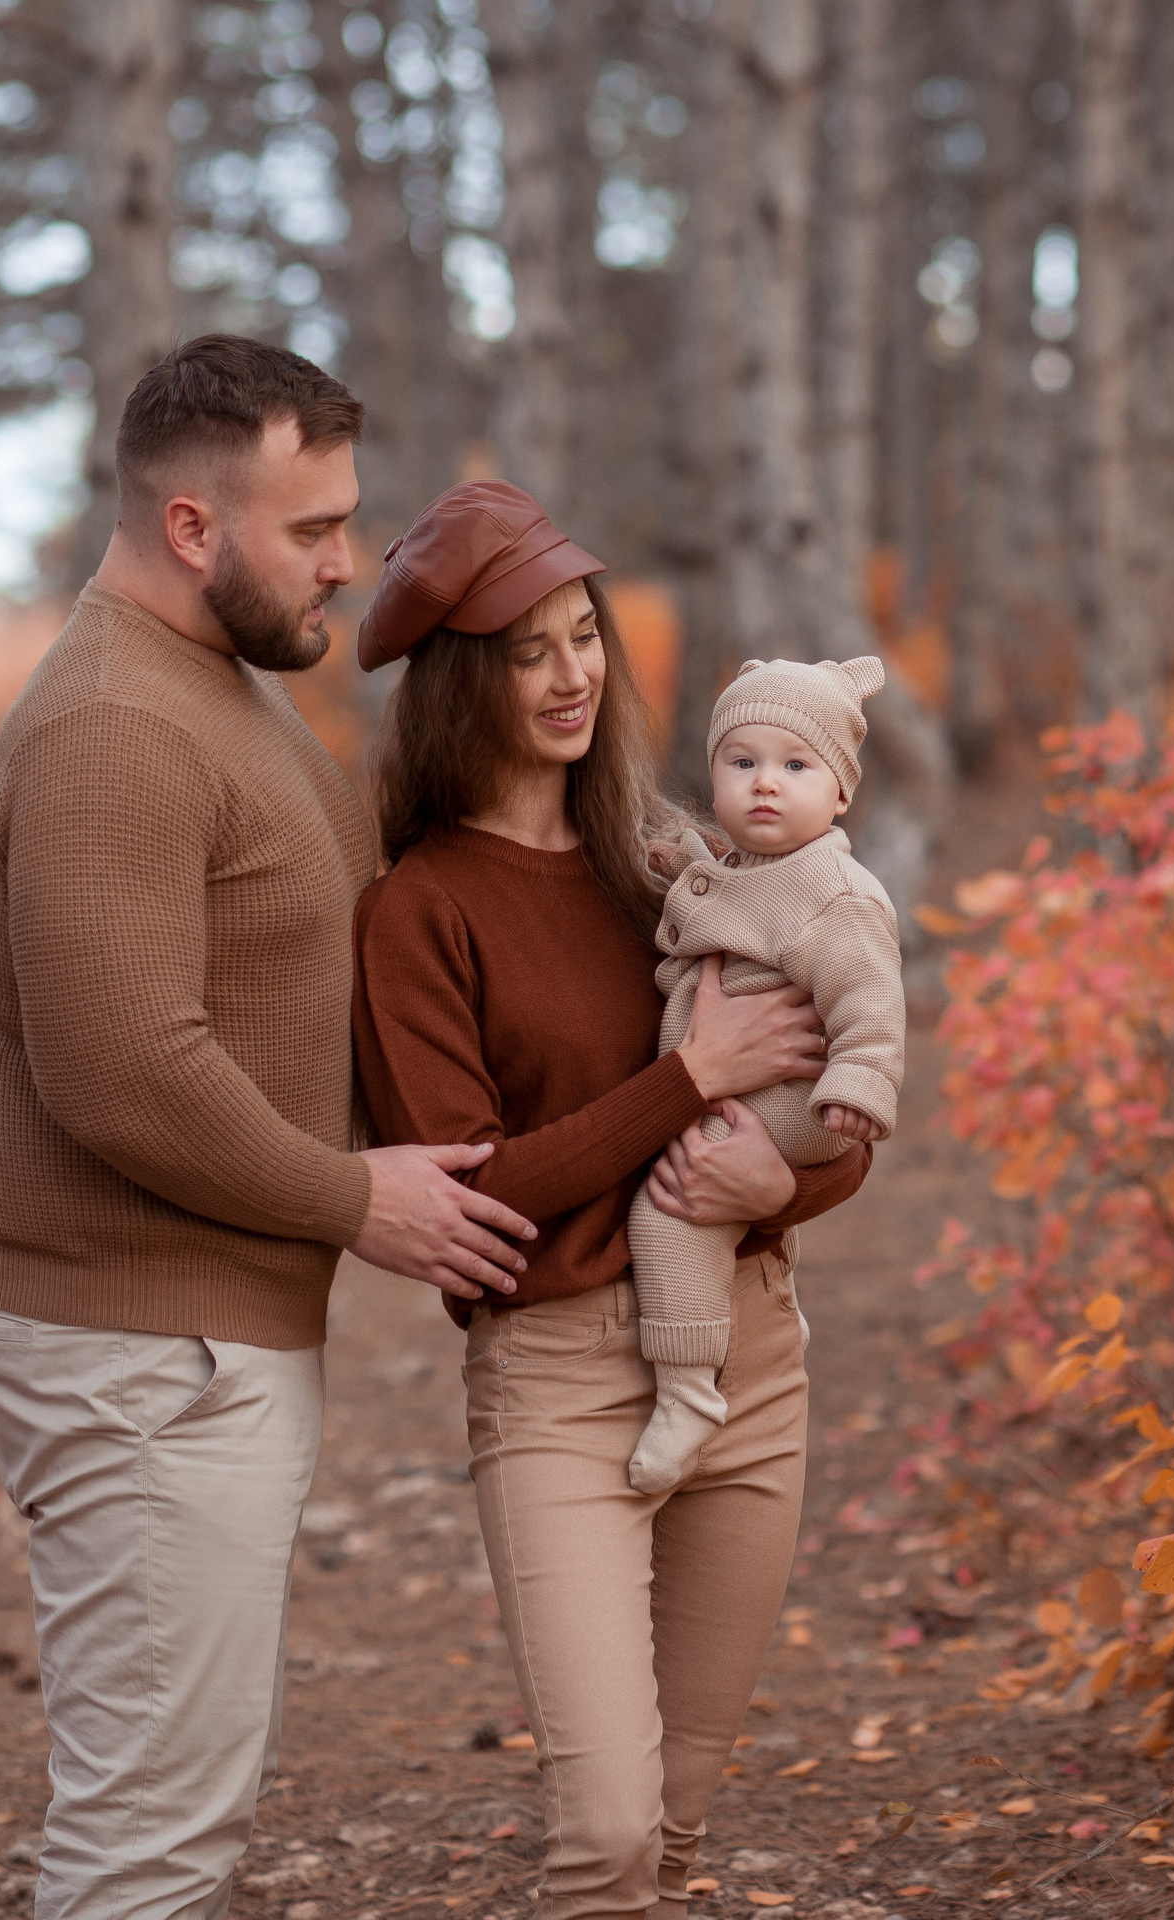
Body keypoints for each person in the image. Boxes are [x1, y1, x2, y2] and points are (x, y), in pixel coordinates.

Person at [0, 337, 541, 1920]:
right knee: (149, 1839)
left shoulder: (216, 689)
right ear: (194, 528)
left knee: (177, 1797)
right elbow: (125, 1068)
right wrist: (357, 1200)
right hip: (141, 1353)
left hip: (193, 1346)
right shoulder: (114, 730)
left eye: (350, 520)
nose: (348, 562)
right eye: (314, 529)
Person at [349, 481, 872, 1920]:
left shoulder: (675, 866)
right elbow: (476, 1197)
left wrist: (788, 1179)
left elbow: (833, 1097)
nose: (575, 672)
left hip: (753, 1364)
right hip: (563, 1384)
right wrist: (689, 1078)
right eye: (530, 649)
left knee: (680, 1834)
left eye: (586, 636)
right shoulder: (420, 909)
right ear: (464, 678)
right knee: (609, 1840)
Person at [624, 655, 906, 1496]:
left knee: (671, 1203)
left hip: (805, 1099)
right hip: (758, 1088)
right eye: (741, 762)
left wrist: (860, 1084)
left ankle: (686, 1391)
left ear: (841, 793)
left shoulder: (837, 893)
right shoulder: (751, 866)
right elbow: (720, 894)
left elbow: (871, 1002)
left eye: (795, 765)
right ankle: (765, 1310)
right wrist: (671, 864)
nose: (765, 785)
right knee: (700, 1186)